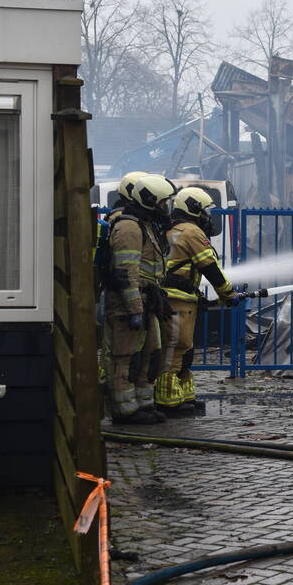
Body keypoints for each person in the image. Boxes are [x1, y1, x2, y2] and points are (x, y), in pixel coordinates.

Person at [156, 187, 238, 415]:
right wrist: (228, 294)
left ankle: (182, 396)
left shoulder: (174, 229)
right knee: (176, 347)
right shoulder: (191, 232)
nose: (207, 218)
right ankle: (167, 402)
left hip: (179, 298)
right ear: (193, 210)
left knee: (184, 348)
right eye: (204, 212)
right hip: (177, 300)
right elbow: (210, 268)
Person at [102, 173, 176, 424]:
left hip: (147, 301)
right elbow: (127, 273)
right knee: (124, 358)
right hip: (129, 304)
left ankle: (144, 405)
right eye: (163, 202)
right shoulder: (129, 227)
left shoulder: (143, 223)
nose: (166, 207)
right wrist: (134, 309)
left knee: (149, 356)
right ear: (149, 201)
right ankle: (125, 411)